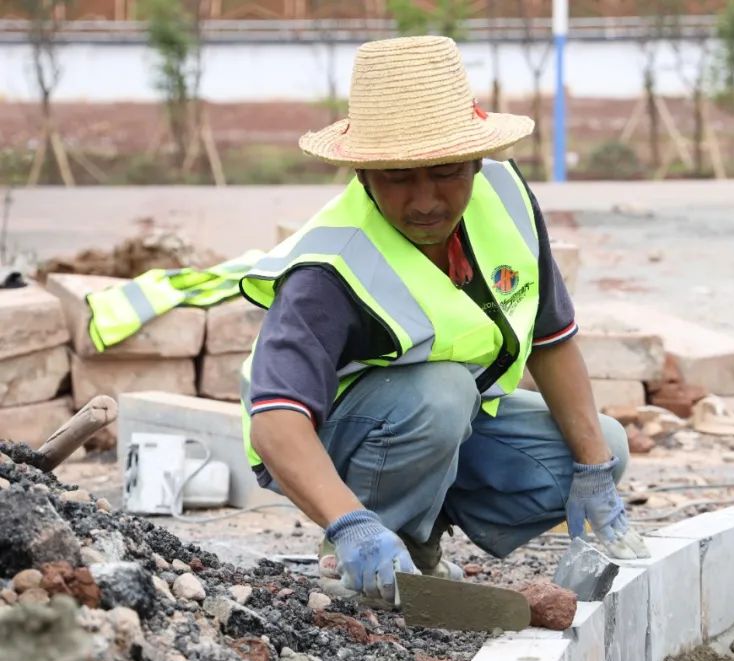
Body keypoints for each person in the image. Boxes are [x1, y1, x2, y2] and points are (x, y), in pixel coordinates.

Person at [238, 35, 649, 604]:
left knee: (604, 443)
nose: (426, 199)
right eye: (399, 178)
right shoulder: (327, 268)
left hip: (438, 428)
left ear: (478, 162)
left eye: (447, 172)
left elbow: (551, 339)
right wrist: (347, 524)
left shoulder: (503, 198)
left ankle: (422, 528)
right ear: (362, 174)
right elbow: (276, 424)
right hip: (332, 444)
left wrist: (595, 474)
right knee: (442, 391)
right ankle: (372, 550)